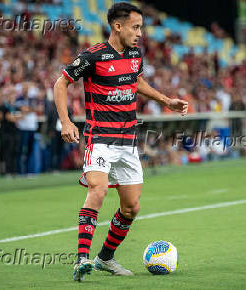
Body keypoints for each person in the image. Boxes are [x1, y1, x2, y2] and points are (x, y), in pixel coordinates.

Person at [53, 2, 188, 282]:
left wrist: (166, 101)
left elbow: (136, 82)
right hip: (99, 137)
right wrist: (66, 122)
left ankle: (105, 258)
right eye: (135, 27)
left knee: (131, 207)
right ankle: (81, 260)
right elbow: (61, 83)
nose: (140, 33)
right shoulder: (93, 56)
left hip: (128, 141)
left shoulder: (136, 55)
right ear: (118, 26)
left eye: (141, 28)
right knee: (98, 190)